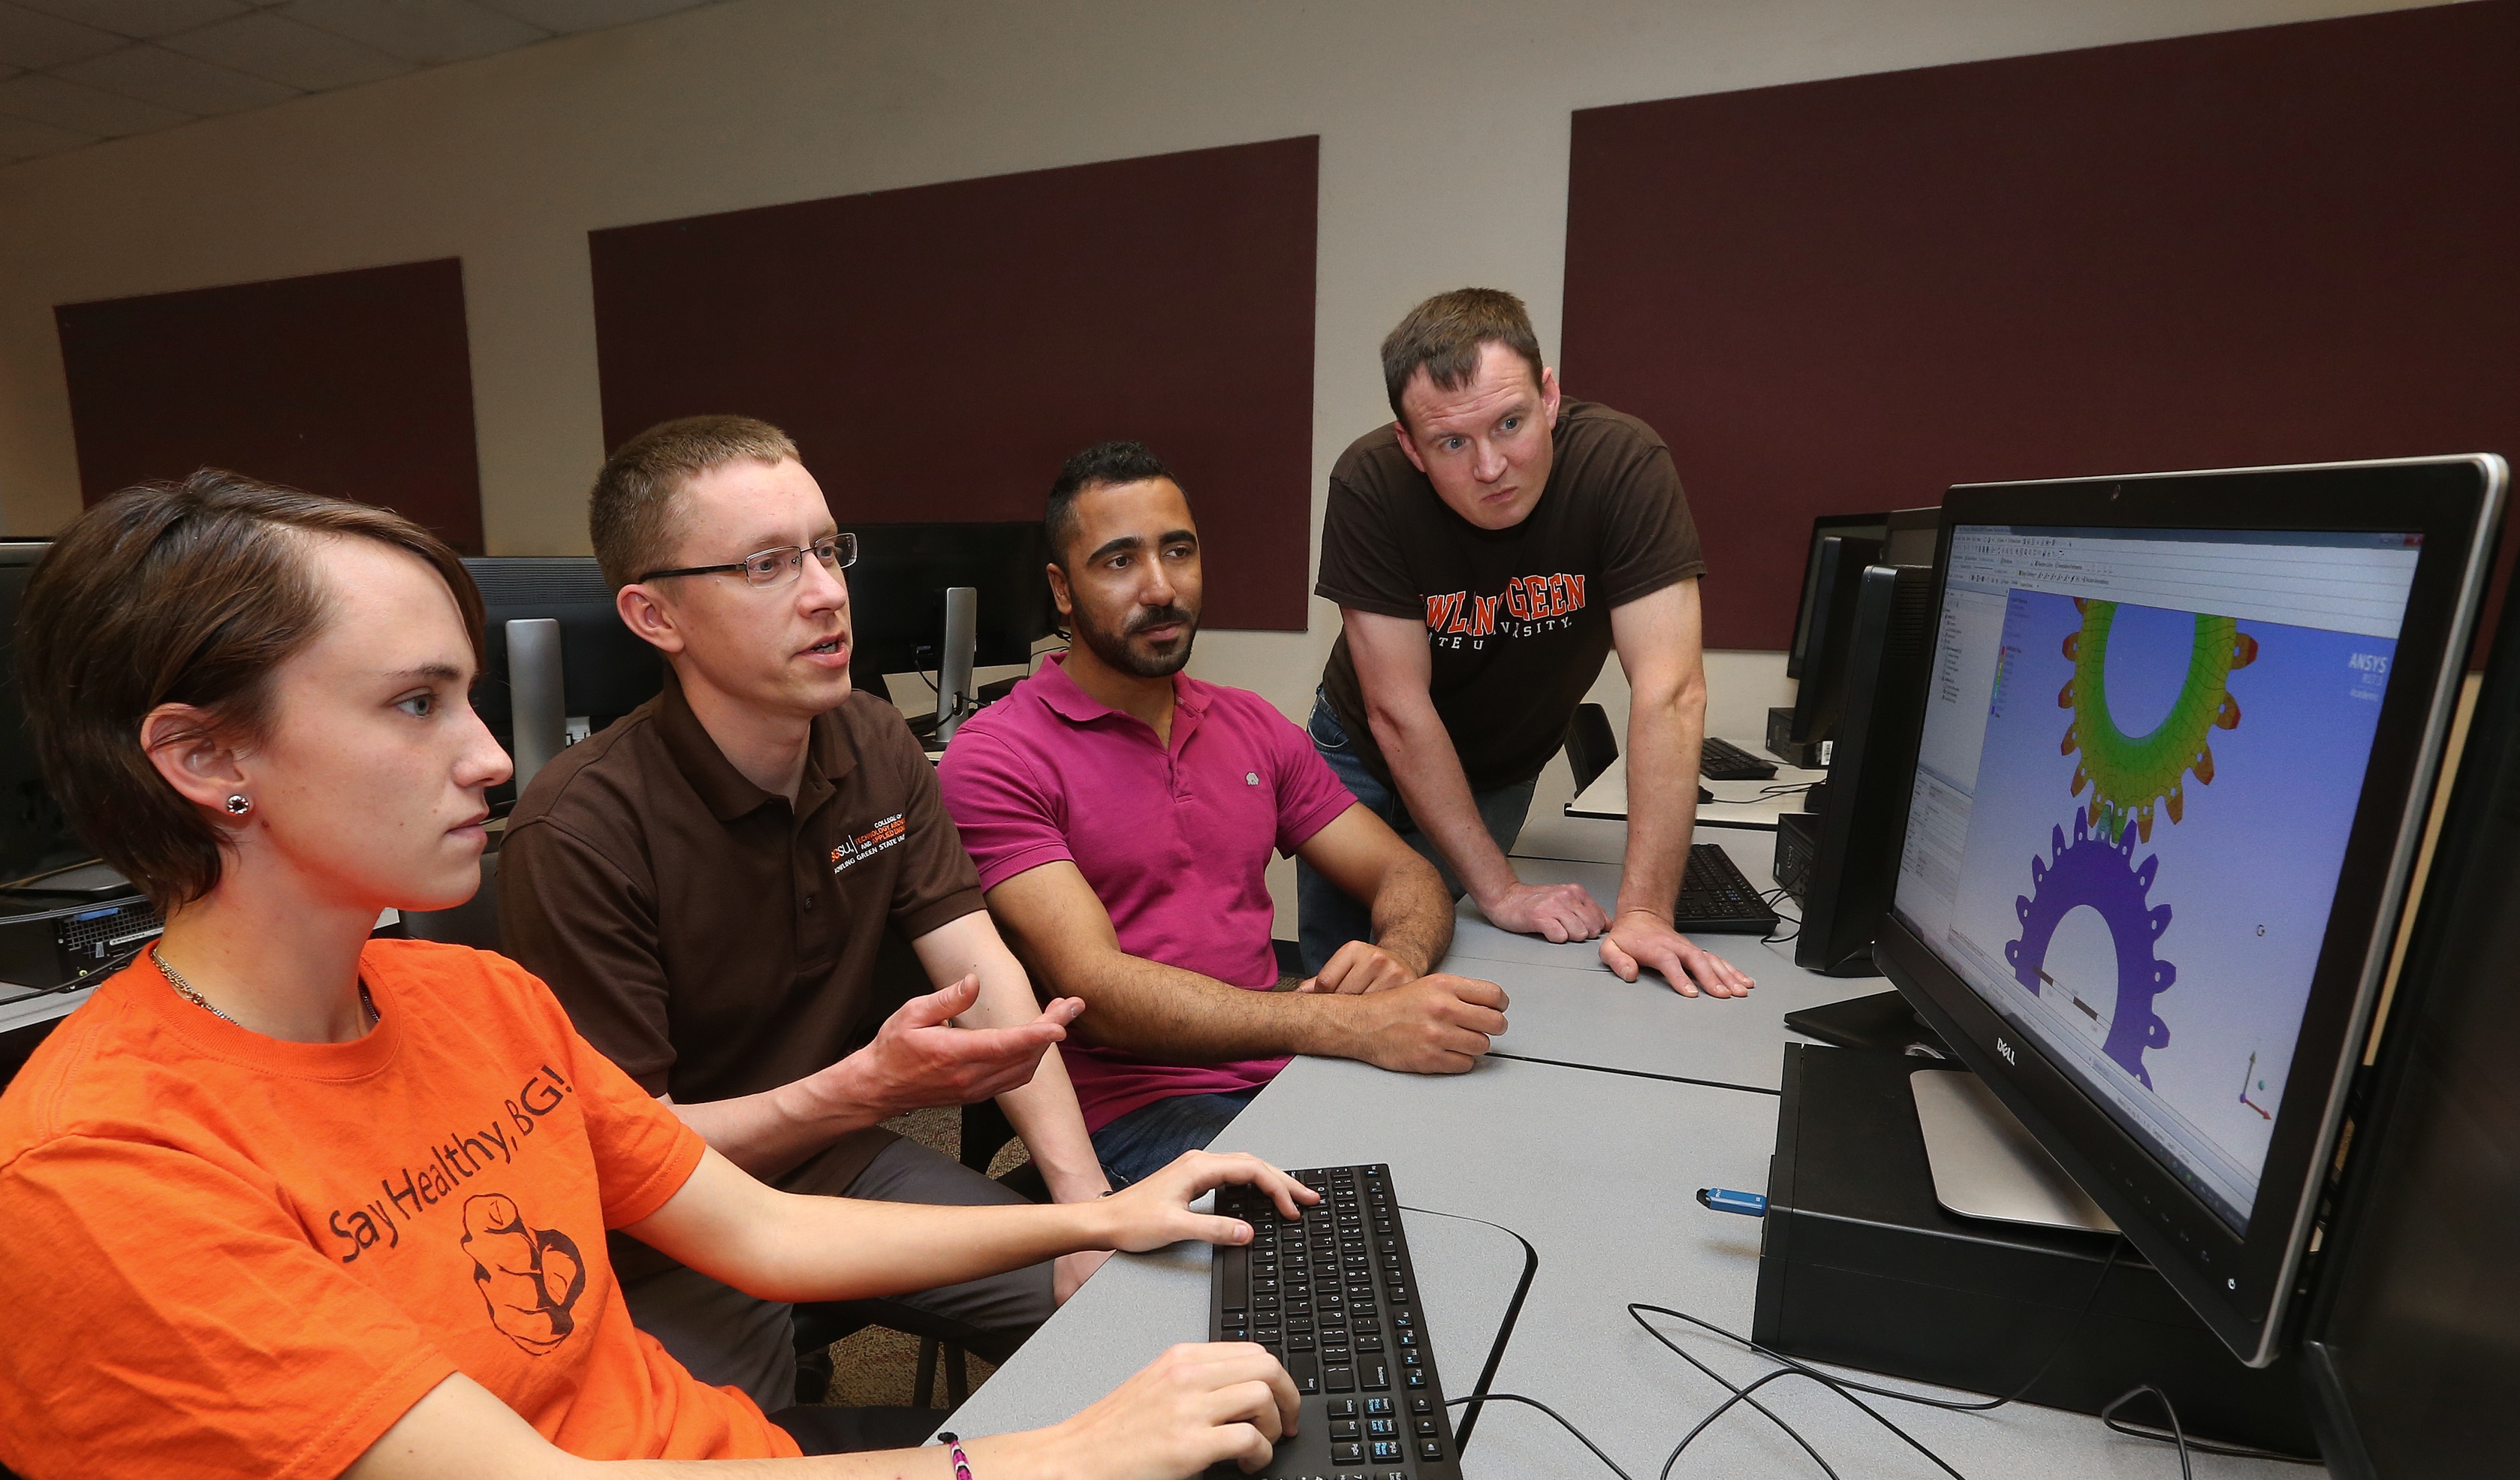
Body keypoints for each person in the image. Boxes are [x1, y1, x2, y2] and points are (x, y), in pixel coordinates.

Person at [0, 471, 1305, 1480]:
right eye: (413, 706)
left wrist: (1094, 1212)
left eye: (466, 698)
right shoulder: (91, 1175)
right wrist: (1042, 1465)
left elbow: (758, 1231)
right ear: (208, 762)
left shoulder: (466, 999)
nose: (488, 759)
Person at [497, 415, 1114, 1413]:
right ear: (656, 618)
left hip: (836, 1161)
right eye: (765, 565)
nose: (828, 592)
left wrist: (1084, 1211)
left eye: (828, 549)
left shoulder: (871, 738)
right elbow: (629, 1151)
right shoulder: (575, 833)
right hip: (664, 1222)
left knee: (1115, 1310)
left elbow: (982, 970)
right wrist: (864, 1087)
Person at [939, 442, 1512, 1185]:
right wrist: (1346, 1024)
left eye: (1178, 552)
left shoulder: (1250, 725)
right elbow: (1097, 992)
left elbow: (1405, 871)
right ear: (1062, 589)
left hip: (1284, 1070)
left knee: (1495, 1147)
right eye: (1119, 561)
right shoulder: (997, 756)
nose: (1160, 587)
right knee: (1377, 1214)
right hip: (1135, 1111)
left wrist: (1397, 959)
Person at [1299, 287, 1755, 1000]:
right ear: (1409, 448)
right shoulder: (1371, 484)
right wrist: (1503, 887)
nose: (1490, 468)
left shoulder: (1621, 466)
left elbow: (1668, 691)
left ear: (1547, 397)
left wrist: (1643, 912)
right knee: (1344, 976)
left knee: (1455, 949)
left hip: (1499, 763)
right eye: (1451, 442)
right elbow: (1396, 709)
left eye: (1509, 423)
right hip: (1356, 750)